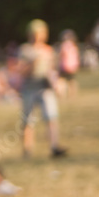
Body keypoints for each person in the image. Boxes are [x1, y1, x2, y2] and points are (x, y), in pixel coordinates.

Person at [18, 19, 68, 158]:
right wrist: (33, 63)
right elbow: (21, 71)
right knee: (28, 119)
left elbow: (53, 70)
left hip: (45, 87)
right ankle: (27, 150)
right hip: (29, 87)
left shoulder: (48, 50)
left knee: (51, 117)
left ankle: (54, 146)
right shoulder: (25, 50)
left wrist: (57, 84)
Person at [57, 29, 80, 99]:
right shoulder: (74, 46)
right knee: (71, 80)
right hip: (72, 66)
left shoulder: (64, 46)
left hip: (65, 66)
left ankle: (61, 94)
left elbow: (61, 55)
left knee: (61, 80)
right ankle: (72, 94)